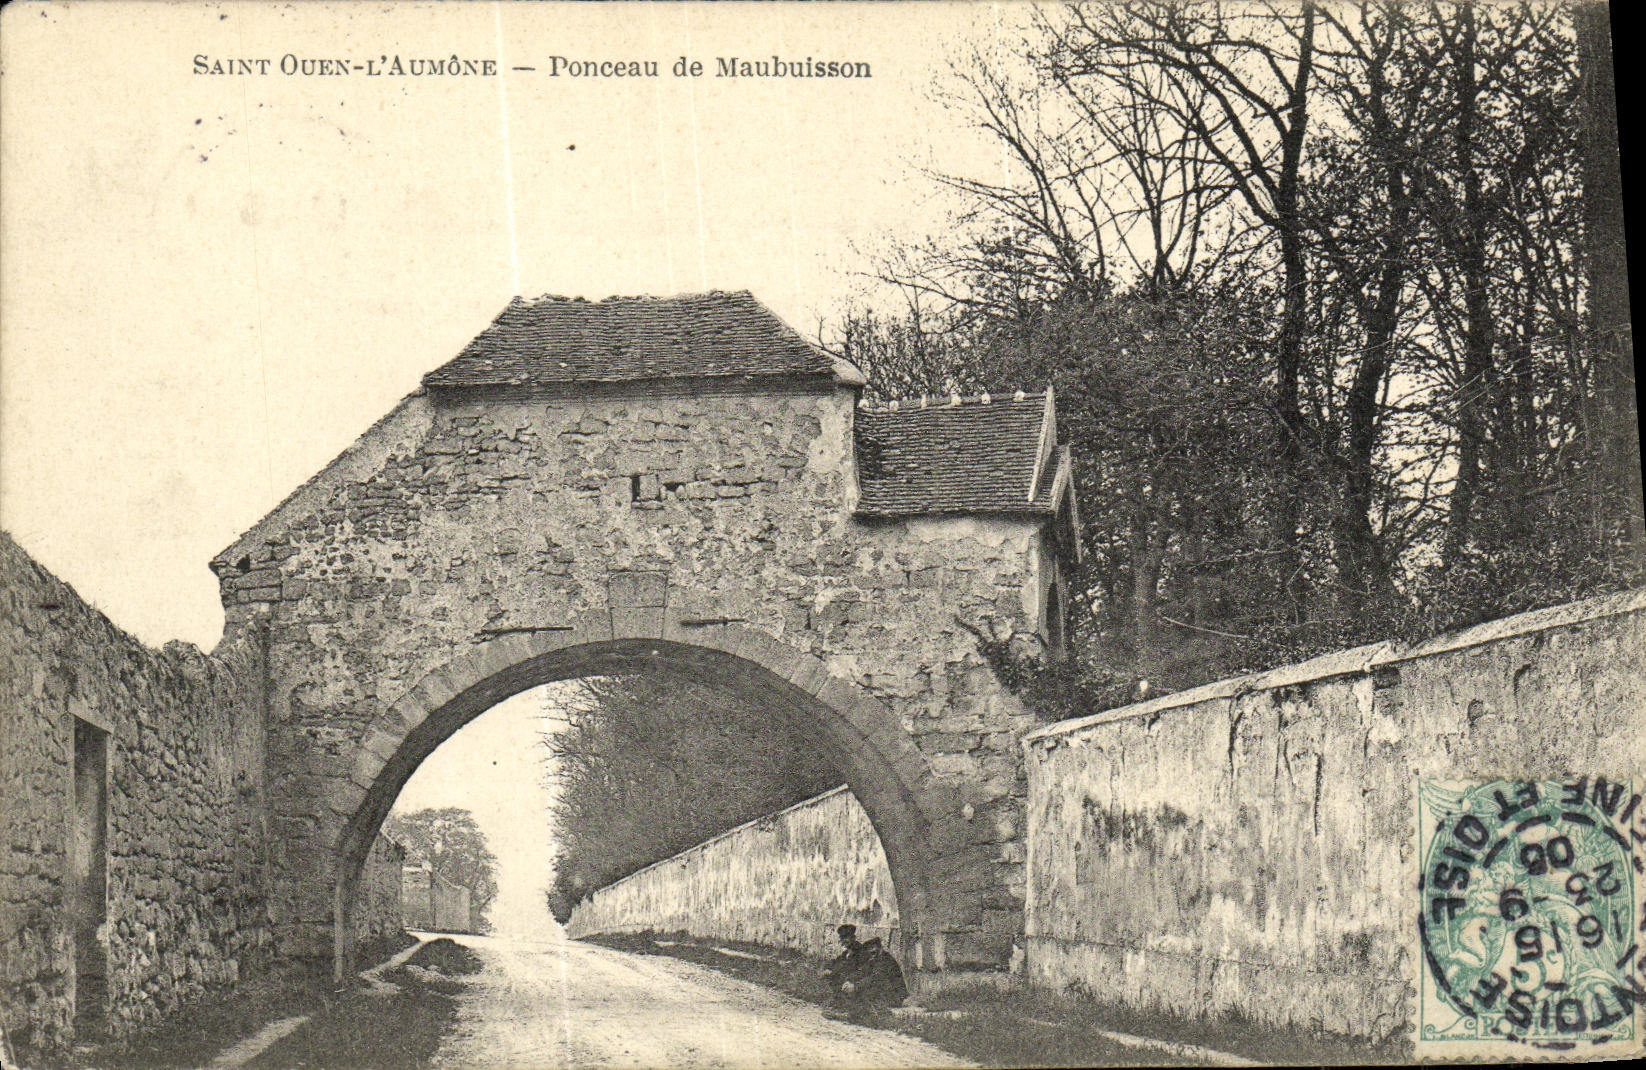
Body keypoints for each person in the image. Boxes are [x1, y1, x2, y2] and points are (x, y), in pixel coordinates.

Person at [821, 923, 907, 1021]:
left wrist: (855, 986)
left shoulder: (885, 961)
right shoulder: (873, 960)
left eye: (874, 952)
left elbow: (875, 979)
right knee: (859, 991)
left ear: (880, 949)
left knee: (864, 994)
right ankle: (843, 1010)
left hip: (893, 995)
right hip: (883, 991)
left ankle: (849, 1015)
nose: (872, 956)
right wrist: (851, 980)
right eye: (870, 953)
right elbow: (862, 971)